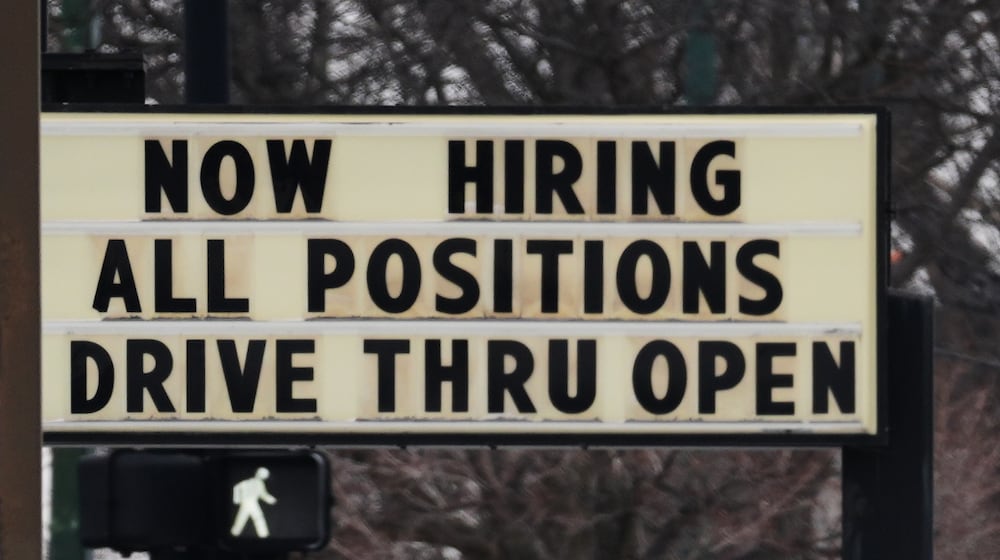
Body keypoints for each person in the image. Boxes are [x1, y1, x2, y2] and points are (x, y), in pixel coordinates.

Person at [230, 467, 278, 538]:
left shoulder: (250, 482)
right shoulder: (258, 483)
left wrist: (237, 499)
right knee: (258, 518)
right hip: (251, 503)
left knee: (242, 518)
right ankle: (263, 535)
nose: (264, 476)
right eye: (263, 475)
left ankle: (234, 533)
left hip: (246, 503)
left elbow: (236, 487)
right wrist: (271, 500)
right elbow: (263, 495)